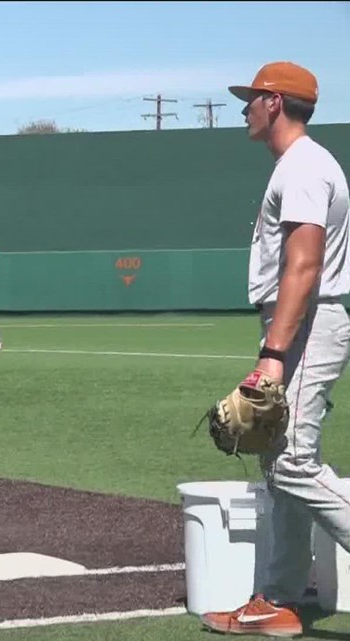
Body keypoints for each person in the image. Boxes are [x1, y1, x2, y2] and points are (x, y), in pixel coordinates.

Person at [199, 62, 350, 637]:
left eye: (252, 98)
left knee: (292, 463)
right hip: (299, 324)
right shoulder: (300, 165)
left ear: (275, 103)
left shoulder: (306, 167)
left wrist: (274, 355)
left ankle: (282, 594)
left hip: (308, 323)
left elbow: (303, 265)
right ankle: (281, 600)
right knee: (277, 462)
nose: (245, 107)